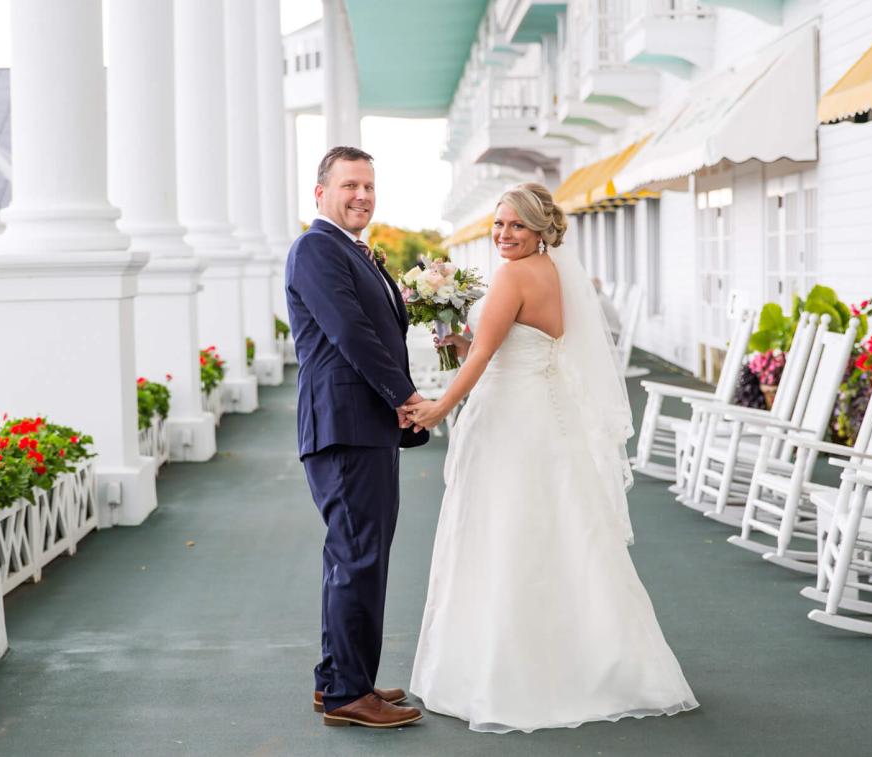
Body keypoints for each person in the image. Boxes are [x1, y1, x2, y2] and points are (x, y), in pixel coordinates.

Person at [404, 182, 697, 734]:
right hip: (544, 414)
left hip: (513, 420)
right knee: (559, 534)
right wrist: (452, 337)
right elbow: (507, 343)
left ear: (541, 230)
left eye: (516, 225)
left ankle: (509, 676)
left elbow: (486, 353)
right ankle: (596, 662)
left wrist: (441, 405)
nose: (504, 235)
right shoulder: (554, 272)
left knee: (506, 535)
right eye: (498, 224)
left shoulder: (514, 274)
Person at [284, 146, 429, 729]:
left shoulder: (350, 250)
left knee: (356, 554)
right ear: (320, 193)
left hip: (362, 424)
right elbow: (352, 333)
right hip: (345, 424)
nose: (362, 195)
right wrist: (407, 398)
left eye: (369, 186)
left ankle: (340, 679)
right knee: (358, 555)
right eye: (350, 185)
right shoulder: (317, 248)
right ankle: (349, 692)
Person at [592, 276, 623, 341]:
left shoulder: (600, 301)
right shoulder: (603, 297)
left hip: (612, 334)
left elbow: (595, 321)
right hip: (613, 332)